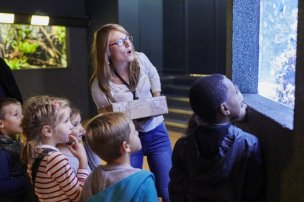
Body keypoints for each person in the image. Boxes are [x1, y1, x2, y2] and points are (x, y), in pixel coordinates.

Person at [90, 23, 172, 201]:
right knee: (128, 192)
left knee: (167, 190)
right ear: (106, 51)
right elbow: (105, 117)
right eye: (120, 42)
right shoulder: (99, 84)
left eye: (128, 38)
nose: (128, 44)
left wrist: (155, 100)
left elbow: (153, 74)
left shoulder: (141, 59)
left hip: (157, 131)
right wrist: (125, 123)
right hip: (127, 140)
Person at [169, 74, 265, 202]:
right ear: (224, 109)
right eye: (236, 92)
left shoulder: (183, 145)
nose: (241, 96)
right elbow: (252, 194)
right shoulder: (249, 144)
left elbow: (176, 189)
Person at [21, 95, 89, 201]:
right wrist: (83, 162)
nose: (71, 126)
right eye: (66, 121)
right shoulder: (55, 159)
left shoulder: (34, 151)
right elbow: (79, 197)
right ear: (48, 131)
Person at [80, 112, 158, 202]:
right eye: (133, 132)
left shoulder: (92, 178)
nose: (137, 132)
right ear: (126, 146)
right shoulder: (144, 182)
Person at [0, 98, 34, 201]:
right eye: (16, 115)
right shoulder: (2, 151)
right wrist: (28, 179)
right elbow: (2, 186)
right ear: (1, 123)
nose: (23, 118)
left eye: (22, 114)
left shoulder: (16, 142)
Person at [58, 107, 99, 173]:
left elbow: (95, 167)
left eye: (80, 122)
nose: (82, 128)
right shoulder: (66, 160)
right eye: (75, 124)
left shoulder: (77, 145)